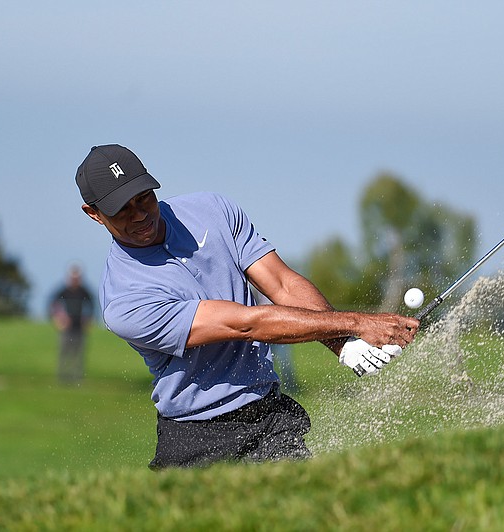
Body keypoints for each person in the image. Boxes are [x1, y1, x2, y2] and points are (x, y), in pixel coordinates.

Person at [75, 144, 419, 469]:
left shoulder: (211, 211)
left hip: (269, 416)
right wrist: (357, 323)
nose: (140, 215)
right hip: (197, 440)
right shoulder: (124, 300)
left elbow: (282, 285)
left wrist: (343, 345)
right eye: (122, 209)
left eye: (144, 198)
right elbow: (246, 325)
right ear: (94, 214)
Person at [49, 265, 94, 384]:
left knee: (78, 354)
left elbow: (92, 306)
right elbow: (52, 305)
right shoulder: (63, 291)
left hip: (79, 328)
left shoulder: (84, 292)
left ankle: (77, 377)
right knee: (64, 353)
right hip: (66, 329)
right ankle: (63, 376)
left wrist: (88, 320)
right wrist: (58, 319)